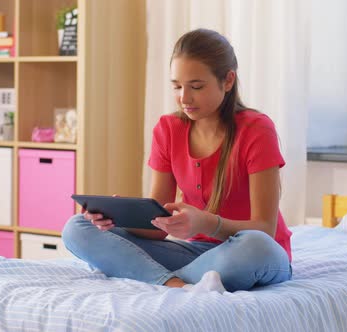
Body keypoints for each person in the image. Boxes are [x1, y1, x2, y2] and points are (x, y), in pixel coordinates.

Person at [62, 28, 292, 293]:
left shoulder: (256, 129)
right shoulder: (168, 129)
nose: (184, 98)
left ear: (228, 81)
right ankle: (174, 284)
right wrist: (117, 219)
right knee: (77, 228)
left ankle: (149, 276)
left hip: (251, 253)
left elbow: (264, 228)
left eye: (196, 86)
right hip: (195, 254)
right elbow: (158, 229)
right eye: (177, 86)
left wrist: (207, 223)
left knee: (256, 247)